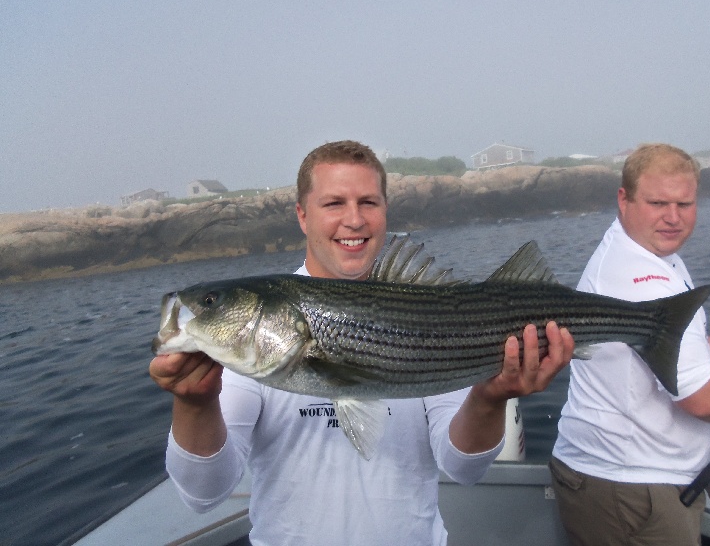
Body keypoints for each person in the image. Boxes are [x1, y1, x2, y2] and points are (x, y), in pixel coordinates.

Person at [150, 140, 575, 546]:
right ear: (302, 215)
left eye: (368, 203)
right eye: (334, 203)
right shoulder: (243, 358)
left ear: (385, 211)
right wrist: (194, 404)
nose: (354, 220)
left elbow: (463, 467)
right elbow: (203, 494)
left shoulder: (431, 311)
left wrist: (490, 396)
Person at [549, 143, 710, 546]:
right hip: (630, 492)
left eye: (685, 204)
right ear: (624, 199)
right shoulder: (641, 278)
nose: (672, 217)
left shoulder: (641, 248)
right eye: (658, 202)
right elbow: (702, 398)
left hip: (621, 480)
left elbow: (674, 344)